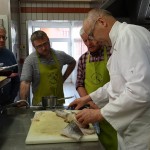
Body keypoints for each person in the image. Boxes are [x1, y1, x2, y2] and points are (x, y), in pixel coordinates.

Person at [69, 8, 150, 150]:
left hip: (141, 131)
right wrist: (87, 98)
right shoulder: (120, 41)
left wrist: (100, 113)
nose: (93, 40)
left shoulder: (129, 36)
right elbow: (116, 85)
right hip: (130, 129)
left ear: (102, 22)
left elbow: (140, 91)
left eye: (92, 35)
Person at [76, 28, 117, 150]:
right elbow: (79, 84)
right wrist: (91, 103)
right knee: (92, 142)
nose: (89, 43)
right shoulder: (83, 59)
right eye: (85, 41)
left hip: (113, 107)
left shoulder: (112, 54)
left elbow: (117, 83)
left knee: (114, 141)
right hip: (90, 108)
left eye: (91, 39)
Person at [19, 30, 76, 106]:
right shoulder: (30, 60)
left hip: (58, 103)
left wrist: (63, 78)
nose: (43, 48)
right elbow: (25, 83)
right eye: (39, 46)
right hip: (39, 105)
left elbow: (72, 62)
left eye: (45, 44)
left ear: (49, 41)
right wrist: (23, 102)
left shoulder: (60, 55)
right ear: (34, 46)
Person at [0, 26, 20, 106]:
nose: (1, 40)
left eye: (3, 37)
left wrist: (11, 98)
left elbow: (16, 79)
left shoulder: (9, 55)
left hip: (6, 103)